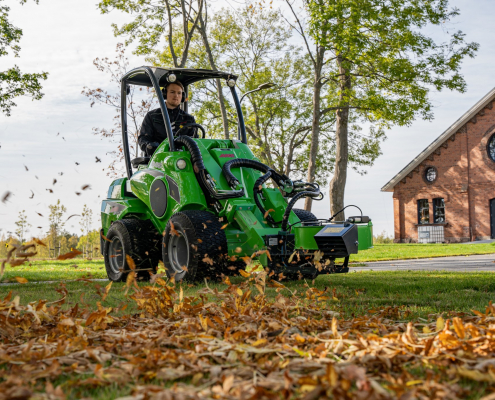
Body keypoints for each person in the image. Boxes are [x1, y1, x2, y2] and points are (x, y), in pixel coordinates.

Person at [138, 81, 196, 156]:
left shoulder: (189, 119)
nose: (176, 95)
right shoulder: (152, 116)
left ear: (183, 96)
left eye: (179, 93)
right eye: (172, 92)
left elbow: (195, 141)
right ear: (165, 94)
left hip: (183, 159)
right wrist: (149, 146)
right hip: (157, 159)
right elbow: (143, 138)